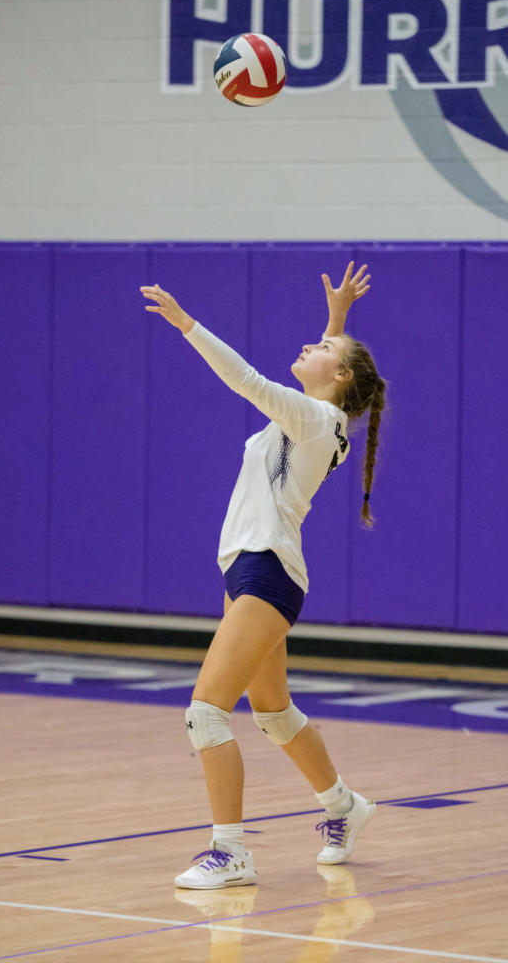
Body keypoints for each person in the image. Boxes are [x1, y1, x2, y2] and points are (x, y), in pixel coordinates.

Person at [140, 261, 387, 890]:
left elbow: (247, 380)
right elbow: (323, 378)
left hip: (267, 573)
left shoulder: (320, 420)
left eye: (322, 347)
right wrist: (337, 322)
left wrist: (187, 323)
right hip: (254, 570)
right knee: (273, 713)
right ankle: (344, 806)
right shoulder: (317, 417)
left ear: (341, 375)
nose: (308, 346)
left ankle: (231, 852)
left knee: (206, 713)